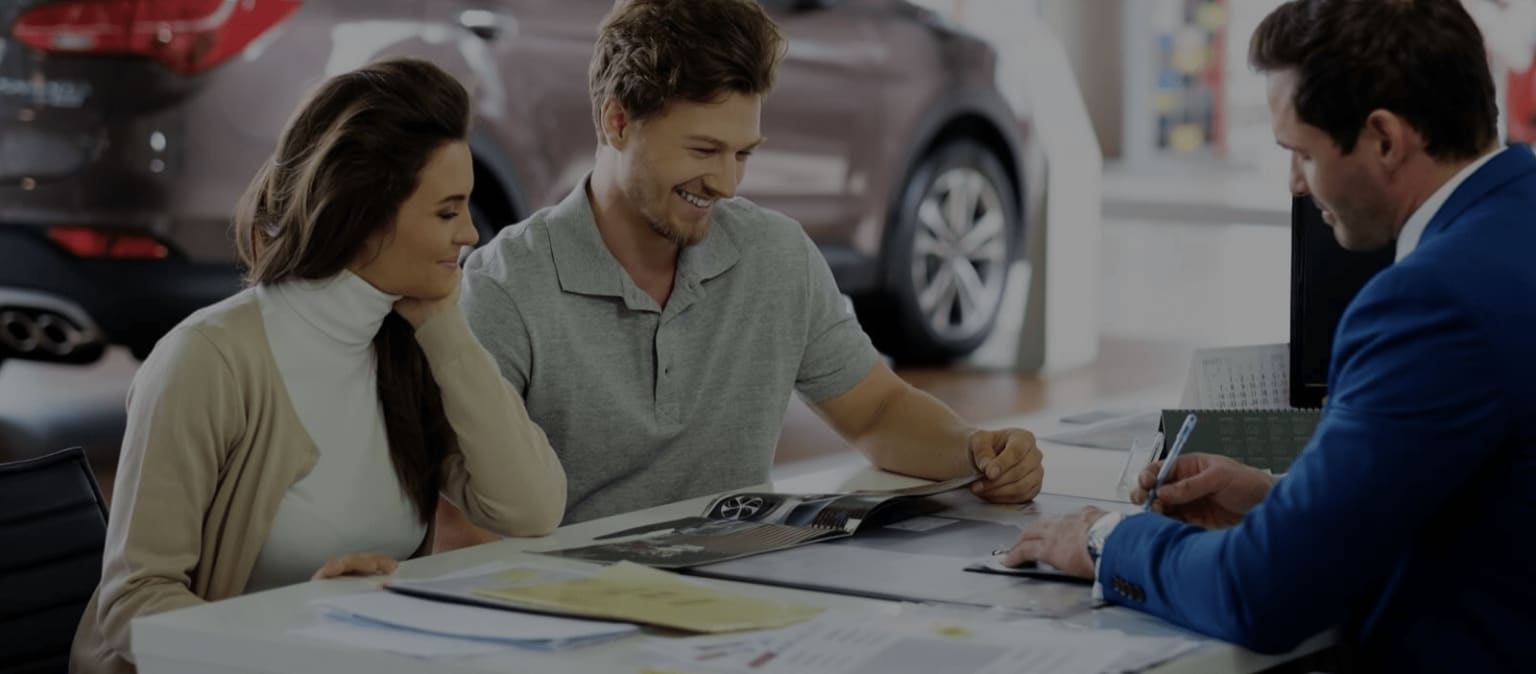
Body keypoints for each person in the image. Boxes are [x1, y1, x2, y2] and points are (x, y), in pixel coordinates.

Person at [1000, 1, 1536, 670]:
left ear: (1384, 139)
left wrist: (1110, 540)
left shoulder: (1429, 302)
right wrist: (1282, 504)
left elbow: (1266, 593)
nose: (1294, 184)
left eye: (1300, 153)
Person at [460, 0, 1043, 525]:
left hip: (740, 603)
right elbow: (471, 516)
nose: (726, 183)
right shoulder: (506, 288)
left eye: (742, 154)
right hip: (569, 611)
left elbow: (877, 411)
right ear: (617, 122)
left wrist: (976, 452)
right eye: (703, 150)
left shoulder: (776, 255)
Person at [70, 59, 567, 674]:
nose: (469, 232)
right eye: (446, 212)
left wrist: (446, 330)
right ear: (362, 217)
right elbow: (132, 601)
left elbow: (531, 508)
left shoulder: (409, 345)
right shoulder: (209, 359)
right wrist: (296, 632)